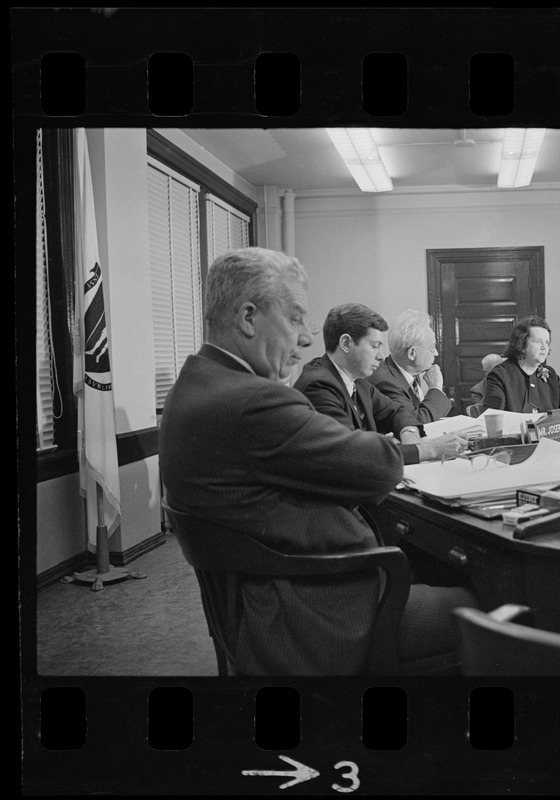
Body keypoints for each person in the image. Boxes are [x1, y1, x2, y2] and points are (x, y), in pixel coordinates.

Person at [159, 248, 476, 675]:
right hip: (317, 613)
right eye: (294, 318)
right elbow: (377, 467)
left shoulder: (194, 386)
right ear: (249, 318)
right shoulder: (253, 400)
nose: (307, 339)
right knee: (484, 599)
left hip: (267, 599)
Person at [295, 303, 467, 464]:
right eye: (375, 346)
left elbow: (396, 412)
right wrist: (428, 450)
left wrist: (410, 432)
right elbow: (354, 453)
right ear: (346, 343)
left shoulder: (359, 381)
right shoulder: (319, 386)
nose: (381, 356)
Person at [366, 309, 453, 425]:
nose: (436, 353)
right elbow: (416, 424)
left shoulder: (411, 373)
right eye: (432, 348)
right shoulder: (384, 382)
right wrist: (435, 387)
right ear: (412, 353)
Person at [482, 316, 560, 414]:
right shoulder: (500, 375)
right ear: (521, 344)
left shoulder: (550, 375)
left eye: (547, 342)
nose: (544, 347)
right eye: (538, 341)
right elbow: (493, 419)